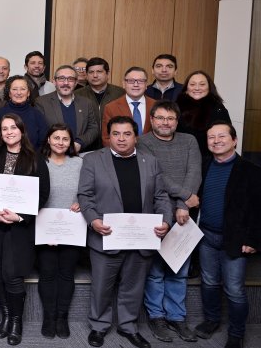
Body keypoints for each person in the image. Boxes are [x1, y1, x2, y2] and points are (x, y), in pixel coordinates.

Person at [78, 116, 173, 348]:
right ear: (108, 136)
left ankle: (128, 326)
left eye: (127, 134)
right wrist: (93, 221)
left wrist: (166, 221)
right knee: (101, 286)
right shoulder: (93, 160)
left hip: (141, 238)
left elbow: (161, 196)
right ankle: (99, 326)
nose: (121, 139)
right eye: (116, 134)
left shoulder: (150, 161)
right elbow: (85, 195)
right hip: (106, 235)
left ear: (135, 137)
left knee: (134, 286)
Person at [0, 114, 50, 345]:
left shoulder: (35, 158)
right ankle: (6, 316)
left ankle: (16, 321)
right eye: (4, 129)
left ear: (22, 130)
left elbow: (43, 194)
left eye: (13, 127)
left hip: (19, 228)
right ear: (0, 133)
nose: (9, 132)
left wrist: (20, 217)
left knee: (12, 275)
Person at [192, 122, 261, 348]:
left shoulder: (251, 171)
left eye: (222, 136)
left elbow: (259, 210)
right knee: (209, 282)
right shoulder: (203, 166)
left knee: (234, 289)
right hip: (206, 237)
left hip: (236, 239)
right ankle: (212, 320)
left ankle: (236, 334)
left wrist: (253, 240)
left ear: (234, 140)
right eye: (211, 137)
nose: (216, 141)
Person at [137, 101, 201, 343]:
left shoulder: (189, 141)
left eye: (170, 118)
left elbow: (194, 172)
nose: (165, 122)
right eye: (160, 118)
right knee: (155, 271)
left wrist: (184, 205)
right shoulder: (143, 142)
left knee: (179, 270)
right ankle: (156, 316)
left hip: (185, 215)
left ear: (177, 121)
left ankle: (177, 317)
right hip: (156, 212)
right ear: (152, 120)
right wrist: (185, 197)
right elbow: (157, 176)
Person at [36, 124, 82, 340]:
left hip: (72, 228)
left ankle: (62, 317)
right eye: (56, 138)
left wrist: (81, 202)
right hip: (45, 228)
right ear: (48, 139)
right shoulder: (38, 162)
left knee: (66, 273)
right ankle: (49, 317)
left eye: (65, 139)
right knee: (47, 273)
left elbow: (88, 189)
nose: (60, 142)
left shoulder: (79, 163)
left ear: (71, 142)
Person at [35, 65, 99, 152]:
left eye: (70, 79)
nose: (66, 83)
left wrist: (80, 142)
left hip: (80, 153)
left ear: (76, 82)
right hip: (52, 154)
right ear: (54, 81)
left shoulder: (86, 103)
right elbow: (39, 130)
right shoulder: (41, 102)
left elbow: (93, 128)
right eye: (61, 78)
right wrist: (58, 144)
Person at [175, 70, 231, 156]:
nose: (197, 88)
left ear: (209, 88)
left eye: (202, 84)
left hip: (210, 157)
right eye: (192, 84)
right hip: (180, 155)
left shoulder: (218, 109)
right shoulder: (176, 107)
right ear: (186, 88)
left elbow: (226, 137)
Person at [75, 57, 125, 150]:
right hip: (85, 147)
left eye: (99, 72)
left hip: (113, 146)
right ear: (86, 75)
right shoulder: (77, 95)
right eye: (91, 72)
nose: (95, 75)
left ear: (107, 74)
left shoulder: (120, 93)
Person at [0, 75, 48, 150]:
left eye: (23, 89)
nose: (19, 93)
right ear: (9, 93)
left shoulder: (37, 114)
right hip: (3, 156)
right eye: (15, 89)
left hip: (32, 156)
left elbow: (43, 143)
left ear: (28, 93)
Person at [101, 67, 156, 146]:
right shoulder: (111, 107)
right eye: (131, 81)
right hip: (121, 152)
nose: (136, 85)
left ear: (146, 84)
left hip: (151, 151)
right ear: (124, 84)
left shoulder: (156, 106)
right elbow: (106, 138)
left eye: (141, 81)